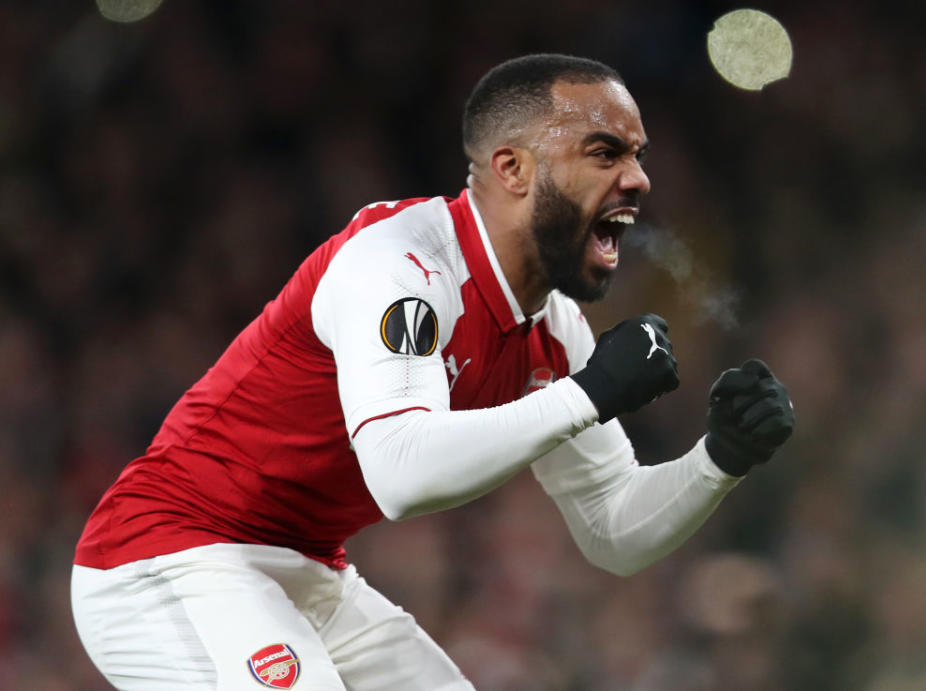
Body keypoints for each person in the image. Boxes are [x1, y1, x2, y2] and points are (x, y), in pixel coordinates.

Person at [71, 53, 794, 690]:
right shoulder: (402, 266)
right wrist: (589, 393)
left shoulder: (554, 327)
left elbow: (613, 528)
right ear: (513, 169)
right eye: (604, 153)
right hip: (166, 554)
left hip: (307, 572)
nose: (637, 179)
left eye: (636, 156)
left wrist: (717, 459)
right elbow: (401, 471)